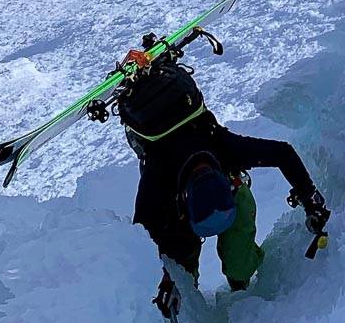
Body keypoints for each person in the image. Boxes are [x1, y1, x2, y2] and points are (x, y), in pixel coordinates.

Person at [86, 42, 330, 307]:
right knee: (182, 261)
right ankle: (191, 298)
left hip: (222, 196)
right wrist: (166, 278)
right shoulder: (159, 176)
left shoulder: (222, 147)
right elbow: (144, 232)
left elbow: (283, 153)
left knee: (239, 264)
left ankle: (239, 285)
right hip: (179, 216)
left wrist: (311, 200)